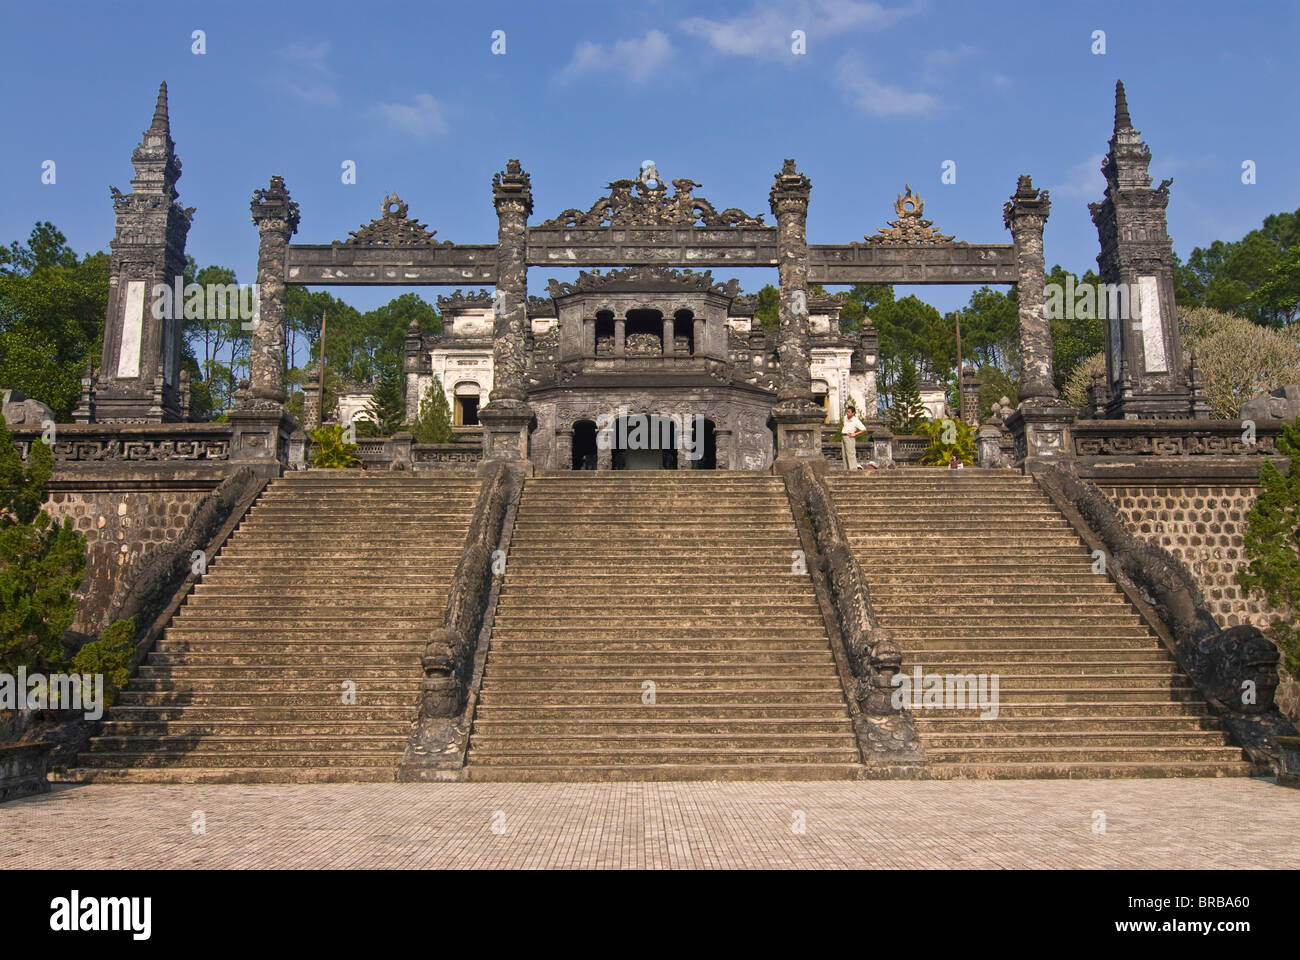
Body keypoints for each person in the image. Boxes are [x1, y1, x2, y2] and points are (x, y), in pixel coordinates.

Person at [841, 404, 868, 470]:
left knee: (851, 454)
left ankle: (853, 469)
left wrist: (855, 434)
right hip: (844, 436)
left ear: (853, 413)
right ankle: (846, 469)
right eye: (847, 412)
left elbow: (864, 429)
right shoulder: (845, 418)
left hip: (850, 437)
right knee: (844, 455)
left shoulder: (855, 420)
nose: (847, 413)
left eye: (849, 412)